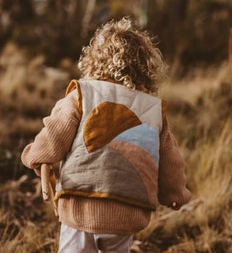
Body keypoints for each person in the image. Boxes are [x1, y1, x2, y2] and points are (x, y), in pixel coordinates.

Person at [21, 17, 191, 253]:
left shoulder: (82, 94)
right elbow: (171, 162)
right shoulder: (153, 110)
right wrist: (176, 195)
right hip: (128, 210)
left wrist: (34, 155)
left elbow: (54, 136)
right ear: (146, 67)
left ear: (94, 60)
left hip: (80, 202)